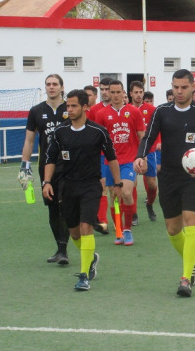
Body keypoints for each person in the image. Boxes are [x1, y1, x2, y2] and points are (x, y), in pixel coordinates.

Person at [134, 69, 195, 297]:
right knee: (173, 229)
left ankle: (185, 278)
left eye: (184, 87)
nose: (179, 91)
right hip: (169, 176)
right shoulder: (161, 112)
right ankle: (192, 262)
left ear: (193, 88)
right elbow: (148, 138)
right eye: (176, 87)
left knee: (192, 220)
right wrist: (140, 156)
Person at [42, 89, 122, 291]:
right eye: (67, 106)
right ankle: (91, 257)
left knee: (86, 227)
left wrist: (117, 184)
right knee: (74, 232)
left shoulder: (98, 132)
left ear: (85, 107)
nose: (69, 109)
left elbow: (112, 158)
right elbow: (50, 159)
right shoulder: (60, 132)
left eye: (74, 106)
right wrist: (47, 182)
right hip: (67, 187)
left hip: (90, 186)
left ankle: (84, 275)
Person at [18, 74, 70, 265]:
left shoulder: (70, 108)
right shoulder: (36, 111)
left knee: (65, 206)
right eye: (48, 84)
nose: (51, 87)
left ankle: (64, 250)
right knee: (52, 208)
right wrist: (25, 166)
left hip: (67, 166)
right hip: (46, 167)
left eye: (55, 84)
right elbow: (30, 140)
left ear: (62, 87)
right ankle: (59, 247)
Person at [95, 80, 145, 246]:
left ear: (124, 93)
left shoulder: (134, 112)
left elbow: (142, 136)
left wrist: (142, 157)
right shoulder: (102, 114)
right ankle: (118, 229)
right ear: (108, 93)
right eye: (112, 92)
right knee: (114, 196)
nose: (115, 96)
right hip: (110, 162)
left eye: (118, 92)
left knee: (127, 193)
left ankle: (128, 229)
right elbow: (98, 141)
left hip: (129, 161)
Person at [86, 77, 113, 235]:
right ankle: (103, 221)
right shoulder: (94, 110)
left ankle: (125, 219)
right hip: (101, 155)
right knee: (102, 186)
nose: (104, 92)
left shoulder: (124, 109)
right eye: (102, 89)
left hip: (120, 155)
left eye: (107, 89)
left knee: (117, 190)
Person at [130, 81, 158, 222]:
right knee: (132, 183)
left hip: (149, 151)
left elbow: (157, 128)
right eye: (136, 92)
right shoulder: (126, 110)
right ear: (131, 94)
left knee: (152, 185)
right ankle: (133, 213)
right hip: (131, 153)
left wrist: (158, 141)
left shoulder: (152, 109)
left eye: (141, 92)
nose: (139, 95)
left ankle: (149, 204)